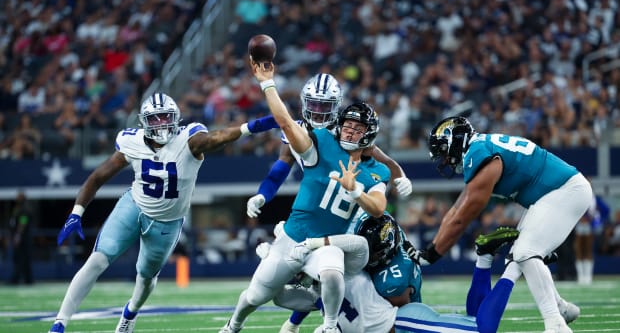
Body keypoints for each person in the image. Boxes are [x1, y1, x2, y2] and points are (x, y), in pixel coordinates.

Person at [48, 92, 278, 333]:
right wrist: (76, 213)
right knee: (96, 260)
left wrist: (252, 127)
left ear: (176, 118)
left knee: (146, 278)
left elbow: (217, 137)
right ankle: (59, 323)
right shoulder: (132, 142)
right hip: (133, 206)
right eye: (155, 119)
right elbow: (97, 178)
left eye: (165, 117)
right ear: (144, 121)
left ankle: (130, 312)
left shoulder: (188, 140)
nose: (161, 124)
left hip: (167, 223)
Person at [220, 62, 392, 333]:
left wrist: (357, 191)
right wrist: (268, 84)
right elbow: (286, 124)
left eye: (357, 129)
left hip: (325, 242)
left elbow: (379, 208)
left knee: (333, 271)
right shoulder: (321, 142)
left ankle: (329, 326)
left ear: (368, 134)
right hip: (293, 236)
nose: (349, 131)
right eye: (347, 126)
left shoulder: (376, 171)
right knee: (255, 295)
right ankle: (233, 325)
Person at [411, 116, 590, 333]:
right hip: (550, 194)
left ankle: (555, 324)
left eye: (444, 152)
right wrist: (428, 250)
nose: (445, 160)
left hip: (564, 190)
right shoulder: (479, 149)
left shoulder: (478, 154)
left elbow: (462, 217)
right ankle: (560, 308)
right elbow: (455, 211)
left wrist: (432, 255)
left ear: (455, 141)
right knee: (520, 254)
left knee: (525, 252)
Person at [271, 218, 524, 333]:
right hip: (402, 323)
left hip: (404, 323)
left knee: (483, 330)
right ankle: (485, 257)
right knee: (474, 320)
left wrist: (308, 246)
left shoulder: (345, 269)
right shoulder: (328, 289)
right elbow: (282, 296)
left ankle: (514, 266)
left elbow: (357, 247)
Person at [246, 72, 412, 220]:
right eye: (314, 104)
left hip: (353, 206)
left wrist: (401, 176)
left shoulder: (345, 132)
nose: (318, 111)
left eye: (324, 105)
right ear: (304, 103)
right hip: (320, 207)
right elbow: (279, 172)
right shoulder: (296, 132)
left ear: (336, 105)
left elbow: (382, 159)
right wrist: (262, 195)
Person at [279, 212, 422, 333]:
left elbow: (397, 322)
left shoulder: (394, 280)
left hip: (399, 311)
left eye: (374, 253)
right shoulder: (367, 224)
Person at [8, 191, 34, 285]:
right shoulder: (17, 208)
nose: (16, 198)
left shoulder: (25, 209)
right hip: (19, 237)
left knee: (22, 259)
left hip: (23, 239)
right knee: (19, 258)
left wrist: (18, 236)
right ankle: (27, 279)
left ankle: (21, 279)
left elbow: (23, 222)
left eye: (19, 197)